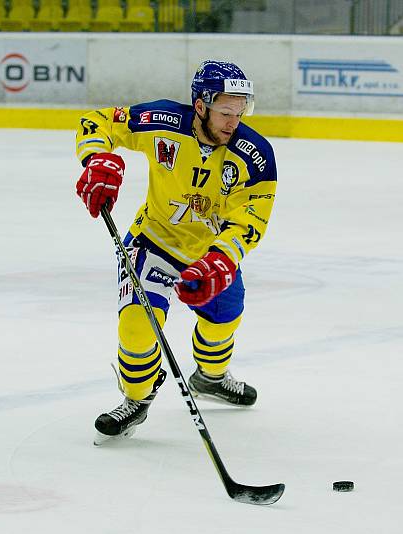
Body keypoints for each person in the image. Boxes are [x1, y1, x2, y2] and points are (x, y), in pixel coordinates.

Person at [74, 60, 277, 444]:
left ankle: (211, 377)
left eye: (240, 112)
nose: (233, 122)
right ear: (200, 105)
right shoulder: (163, 120)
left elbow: (251, 218)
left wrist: (220, 260)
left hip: (209, 254)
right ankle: (137, 397)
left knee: (224, 321)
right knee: (136, 327)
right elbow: (98, 121)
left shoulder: (255, 155)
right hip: (155, 241)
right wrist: (98, 159)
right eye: (225, 112)